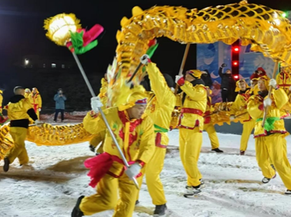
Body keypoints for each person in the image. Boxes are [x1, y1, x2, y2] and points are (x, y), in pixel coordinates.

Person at [71, 85, 155, 217]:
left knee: (127, 206)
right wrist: (94, 114)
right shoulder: (112, 114)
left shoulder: (146, 121)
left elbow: (149, 145)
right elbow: (91, 128)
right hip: (111, 164)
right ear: (130, 105)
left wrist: (140, 163)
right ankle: (83, 206)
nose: (143, 111)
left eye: (144, 107)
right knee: (108, 201)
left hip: (131, 167)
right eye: (139, 107)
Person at [135, 55, 175, 215]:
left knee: (151, 175)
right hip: (142, 138)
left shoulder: (168, 98)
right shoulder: (150, 99)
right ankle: (133, 196)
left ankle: (160, 203)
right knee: (135, 170)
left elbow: (158, 84)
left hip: (157, 139)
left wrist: (150, 66)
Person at [247, 76, 291, 195]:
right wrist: (261, 106)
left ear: (267, 83)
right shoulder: (254, 98)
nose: (259, 84)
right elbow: (252, 112)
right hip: (260, 130)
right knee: (261, 160)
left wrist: (276, 88)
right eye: (258, 83)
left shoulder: (274, 95)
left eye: (262, 82)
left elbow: (283, 101)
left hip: (275, 129)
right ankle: (269, 174)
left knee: (278, 159)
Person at [175, 69, 207, 196]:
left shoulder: (201, 89)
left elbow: (194, 94)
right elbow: (176, 102)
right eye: (185, 75)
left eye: (188, 75)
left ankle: (195, 184)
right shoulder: (186, 90)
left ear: (194, 77)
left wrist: (183, 83)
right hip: (184, 124)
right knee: (184, 157)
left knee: (190, 157)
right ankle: (195, 178)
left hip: (194, 126)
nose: (186, 77)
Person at [3, 86, 38, 172]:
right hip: (21, 126)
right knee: (19, 145)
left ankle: (24, 161)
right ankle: (8, 158)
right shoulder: (24, 101)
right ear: (21, 92)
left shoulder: (10, 103)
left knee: (20, 144)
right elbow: (30, 111)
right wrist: (35, 119)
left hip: (12, 126)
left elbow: (7, 113)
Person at [229, 79, 254, 155]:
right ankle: (242, 149)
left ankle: (266, 149)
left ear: (246, 84)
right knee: (245, 135)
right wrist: (232, 115)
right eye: (240, 85)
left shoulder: (252, 92)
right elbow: (235, 107)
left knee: (262, 133)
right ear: (238, 87)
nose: (242, 86)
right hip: (247, 118)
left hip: (256, 116)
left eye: (243, 84)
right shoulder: (239, 97)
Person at [89, 75, 108, 155]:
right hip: (106, 115)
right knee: (107, 136)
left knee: (101, 134)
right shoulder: (108, 90)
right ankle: (100, 151)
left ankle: (93, 144)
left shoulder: (102, 91)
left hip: (102, 115)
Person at [203, 86, 223, 153]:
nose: (209, 92)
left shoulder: (208, 98)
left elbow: (209, 107)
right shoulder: (200, 98)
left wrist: (213, 110)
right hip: (200, 120)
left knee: (212, 133)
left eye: (209, 91)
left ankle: (215, 147)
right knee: (194, 134)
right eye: (207, 91)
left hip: (208, 120)